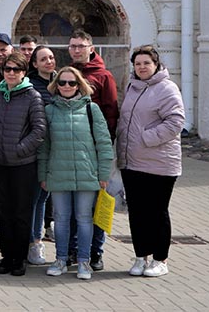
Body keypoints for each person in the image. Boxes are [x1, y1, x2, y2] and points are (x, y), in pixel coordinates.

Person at [38, 65, 114, 280]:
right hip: (58, 173)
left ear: (79, 84)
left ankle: (84, 261)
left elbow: (104, 143)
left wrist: (103, 174)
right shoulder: (49, 110)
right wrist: (42, 174)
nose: (67, 86)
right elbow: (44, 146)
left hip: (86, 174)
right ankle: (61, 258)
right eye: (62, 82)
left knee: (83, 218)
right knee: (61, 219)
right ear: (56, 85)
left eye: (72, 82)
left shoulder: (92, 109)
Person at [116, 45, 184, 279]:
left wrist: (146, 138)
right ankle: (140, 255)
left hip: (159, 163)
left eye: (146, 63)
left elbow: (175, 122)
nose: (142, 67)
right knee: (136, 212)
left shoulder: (166, 88)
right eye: (138, 64)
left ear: (156, 65)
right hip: (132, 162)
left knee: (156, 212)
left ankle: (160, 259)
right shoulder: (133, 87)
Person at [0, 53, 46, 277]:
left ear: (23, 73)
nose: (10, 73)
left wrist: (18, 149)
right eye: (7, 69)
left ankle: (19, 259)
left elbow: (39, 131)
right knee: (4, 213)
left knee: (21, 213)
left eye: (16, 70)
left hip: (23, 165)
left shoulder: (32, 96)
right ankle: (7, 257)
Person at [67, 29, 118, 271]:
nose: (77, 50)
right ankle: (73, 250)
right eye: (73, 46)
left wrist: (103, 149)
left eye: (80, 46)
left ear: (91, 47)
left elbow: (111, 113)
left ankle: (96, 251)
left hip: (94, 151)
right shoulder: (68, 74)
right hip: (70, 150)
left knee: (95, 205)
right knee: (73, 206)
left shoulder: (103, 76)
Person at [26, 44, 58, 265]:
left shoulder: (62, 81)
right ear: (35, 63)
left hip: (59, 149)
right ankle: (34, 242)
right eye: (44, 59)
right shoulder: (30, 86)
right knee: (36, 198)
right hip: (37, 149)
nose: (49, 61)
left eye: (52, 57)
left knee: (47, 197)